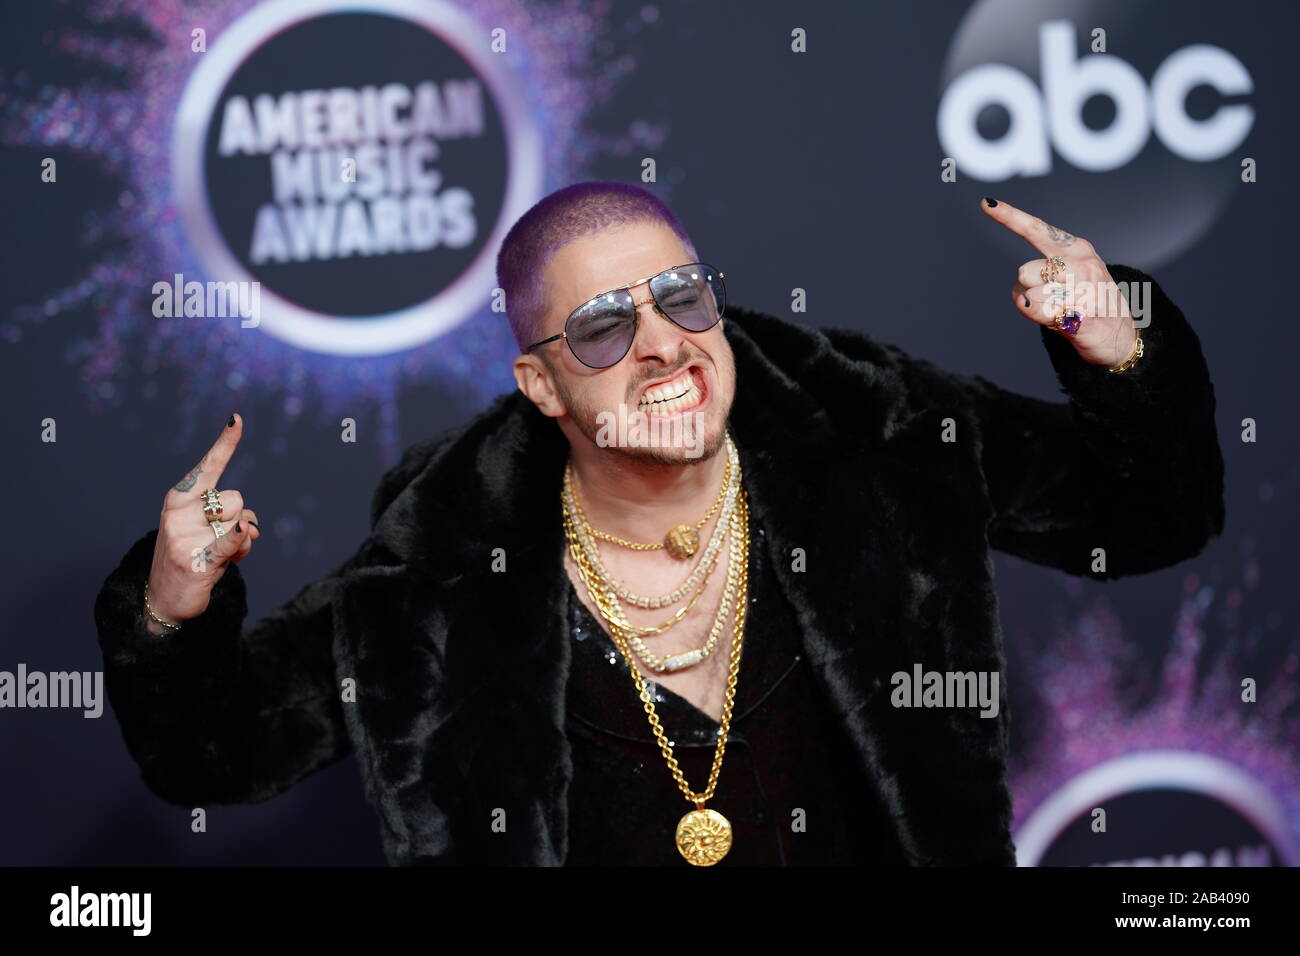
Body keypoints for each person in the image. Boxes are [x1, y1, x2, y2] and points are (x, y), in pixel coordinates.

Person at [93, 182, 1225, 866]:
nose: (663, 344)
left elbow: (1152, 513)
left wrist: (1118, 343)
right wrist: (170, 606)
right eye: (597, 327)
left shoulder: (877, 435)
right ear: (541, 387)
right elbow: (217, 750)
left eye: (683, 296)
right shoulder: (441, 564)